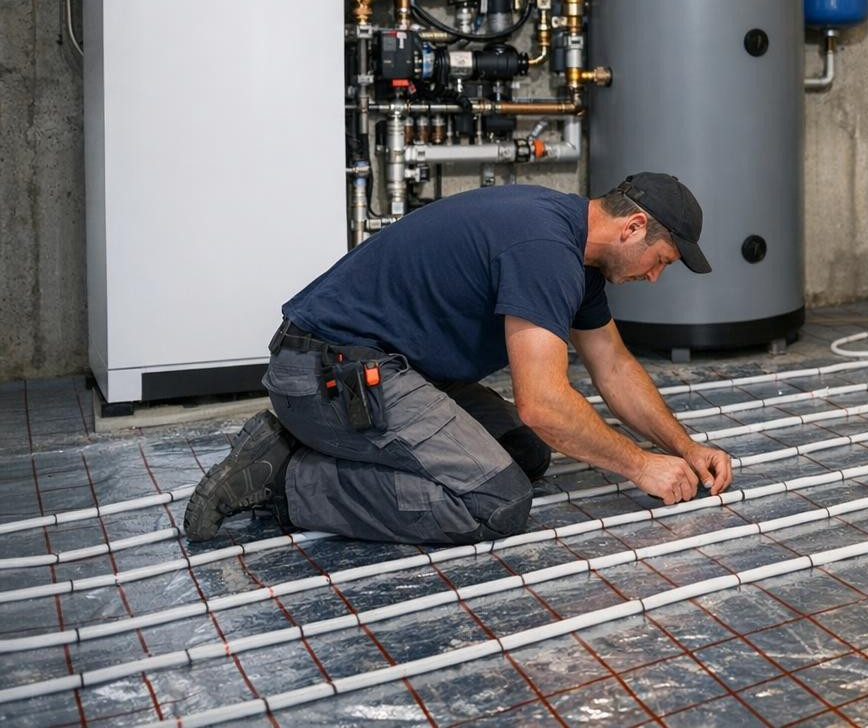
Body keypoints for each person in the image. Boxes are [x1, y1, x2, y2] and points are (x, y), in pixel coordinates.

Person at [183, 172, 733, 544]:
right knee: (495, 501)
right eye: (659, 260)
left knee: (526, 450)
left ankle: (308, 444)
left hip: (384, 368)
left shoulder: (571, 244)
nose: (655, 276)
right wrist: (639, 465)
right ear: (633, 227)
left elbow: (612, 364)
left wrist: (683, 448)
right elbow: (542, 403)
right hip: (328, 372)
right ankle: (284, 476)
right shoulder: (545, 251)